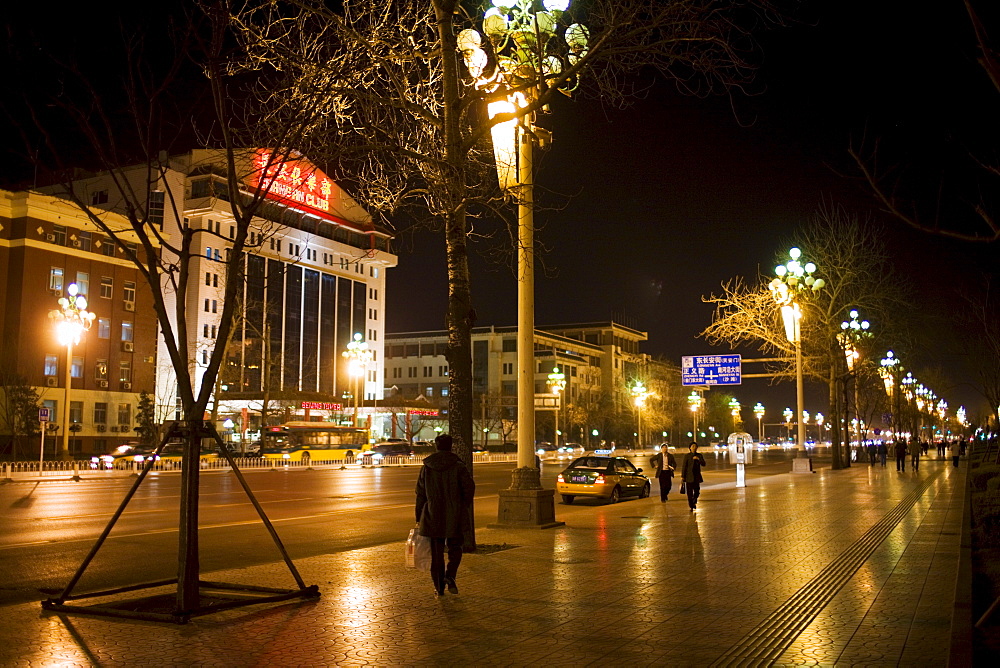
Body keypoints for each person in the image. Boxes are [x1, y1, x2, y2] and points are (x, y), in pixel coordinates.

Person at [415, 433, 475, 597]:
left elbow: (420, 494)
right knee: (456, 547)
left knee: (436, 552)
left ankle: (439, 587)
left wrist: (419, 516)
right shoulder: (458, 466)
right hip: (455, 513)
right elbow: (469, 489)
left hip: (433, 513)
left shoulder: (427, 467)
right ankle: (450, 576)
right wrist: (462, 505)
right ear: (450, 446)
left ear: (436, 446)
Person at [681, 442, 707, 512]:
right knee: (689, 493)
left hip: (696, 477)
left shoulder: (699, 455)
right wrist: (683, 476)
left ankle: (694, 500)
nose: (694, 447)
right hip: (688, 477)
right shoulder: (687, 456)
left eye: (695, 446)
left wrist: (698, 459)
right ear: (690, 448)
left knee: (697, 492)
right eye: (692, 446)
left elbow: (704, 464)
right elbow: (684, 466)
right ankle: (691, 505)